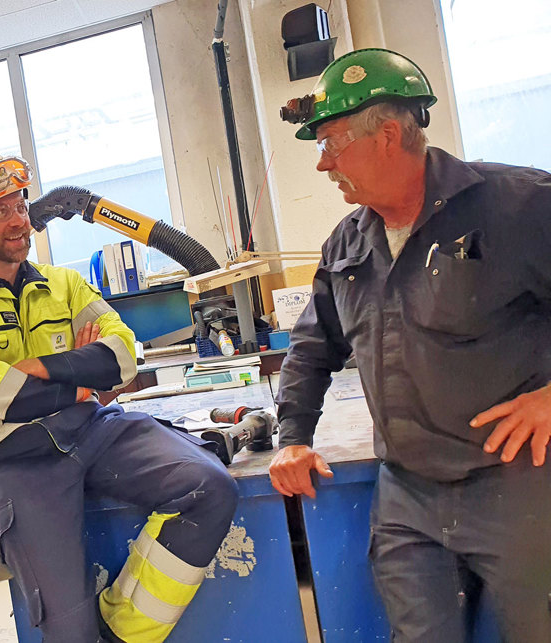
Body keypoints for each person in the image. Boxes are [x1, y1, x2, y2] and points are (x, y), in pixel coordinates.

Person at [270, 48, 551, 642]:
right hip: (408, 498)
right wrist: (292, 437)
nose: (323, 165)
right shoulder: (349, 242)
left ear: (389, 135)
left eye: (331, 144)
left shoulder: (518, 205)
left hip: (517, 483)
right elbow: (311, 348)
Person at [0, 152, 239, 642]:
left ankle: (119, 633)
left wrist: (44, 370)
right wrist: (84, 376)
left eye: (20, 205)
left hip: (93, 430)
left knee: (209, 487)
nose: (19, 221)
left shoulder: (65, 283)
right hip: (10, 458)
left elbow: (123, 356)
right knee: (69, 633)